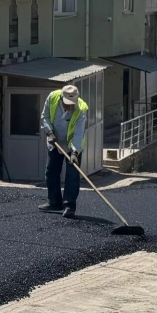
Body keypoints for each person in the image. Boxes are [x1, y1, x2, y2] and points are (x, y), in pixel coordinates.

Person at [39, 84, 90, 218]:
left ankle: (69, 206)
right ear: (62, 98)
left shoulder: (81, 109)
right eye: (67, 104)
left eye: (72, 104)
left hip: (72, 145)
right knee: (51, 171)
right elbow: (45, 117)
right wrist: (49, 132)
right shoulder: (52, 97)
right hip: (54, 140)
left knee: (72, 175)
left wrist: (74, 153)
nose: (70, 107)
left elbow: (78, 133)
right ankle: (54, 202)